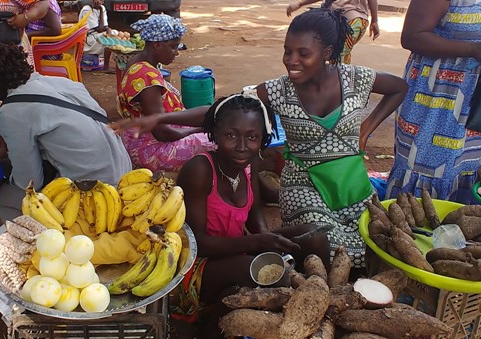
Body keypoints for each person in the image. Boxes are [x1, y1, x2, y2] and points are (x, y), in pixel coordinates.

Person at [115, 7, 406, 267]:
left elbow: (399, 88)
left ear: (328, 53)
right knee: (331, 246)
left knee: (382, 244)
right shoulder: (279, 90)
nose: (291, 61)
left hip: (351, 183)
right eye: (287, 51)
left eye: (303, 53)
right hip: (304, 185)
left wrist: (366, 129)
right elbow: (223, 108)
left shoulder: (356, 78)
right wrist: (160, 117)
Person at [173, 92, 330, 339]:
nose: (242, 146)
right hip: (200, 268)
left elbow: (254, 214)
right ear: (215, 133)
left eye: (252, 137)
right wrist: (260, 243)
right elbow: (198, 244)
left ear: (263, 138)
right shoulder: (199, 171)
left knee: (316, 237)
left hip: (241, 247)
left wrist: (266, 239)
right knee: (263, 272)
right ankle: (210, 329)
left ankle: (318, 316)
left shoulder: (250, 165)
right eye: (231, 135)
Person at [385, 0, 481, 203]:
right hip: (437, 96)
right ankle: (411, 227)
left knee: (474, 166)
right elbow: (412, 36)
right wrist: (471, 49)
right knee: (427, 166)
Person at [0, 43, 131, 222]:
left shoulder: (12, 111)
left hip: (97, 194)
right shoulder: (64, 82)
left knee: (3, 196)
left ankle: (35, 242)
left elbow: (29, 182)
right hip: (125, 176)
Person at [117, 13, 215, 172]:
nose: (176, 52)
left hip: (137, 139)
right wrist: (198, 130)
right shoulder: (146, 76)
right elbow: (162, 133)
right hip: (150, 149)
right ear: (156, 44)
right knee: (219, 143)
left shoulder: (137, 62)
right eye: (173, 46)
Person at [286, 0, 379, 64]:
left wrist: (374, 21)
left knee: (339, 55)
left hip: (353, 20)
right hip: (341, 20)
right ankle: (337, 82)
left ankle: (341, 85)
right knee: (332, 53)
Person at [78, 0, 112, 72]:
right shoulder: (86, 9)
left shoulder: (102, 8)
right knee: (105, 38)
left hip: (96, 35)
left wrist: (109, 30)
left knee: (114, 34)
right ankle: (106, 67)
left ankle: (104, 64)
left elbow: (105, 26)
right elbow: (99, 29)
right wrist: (101, 9)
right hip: (88, 39)